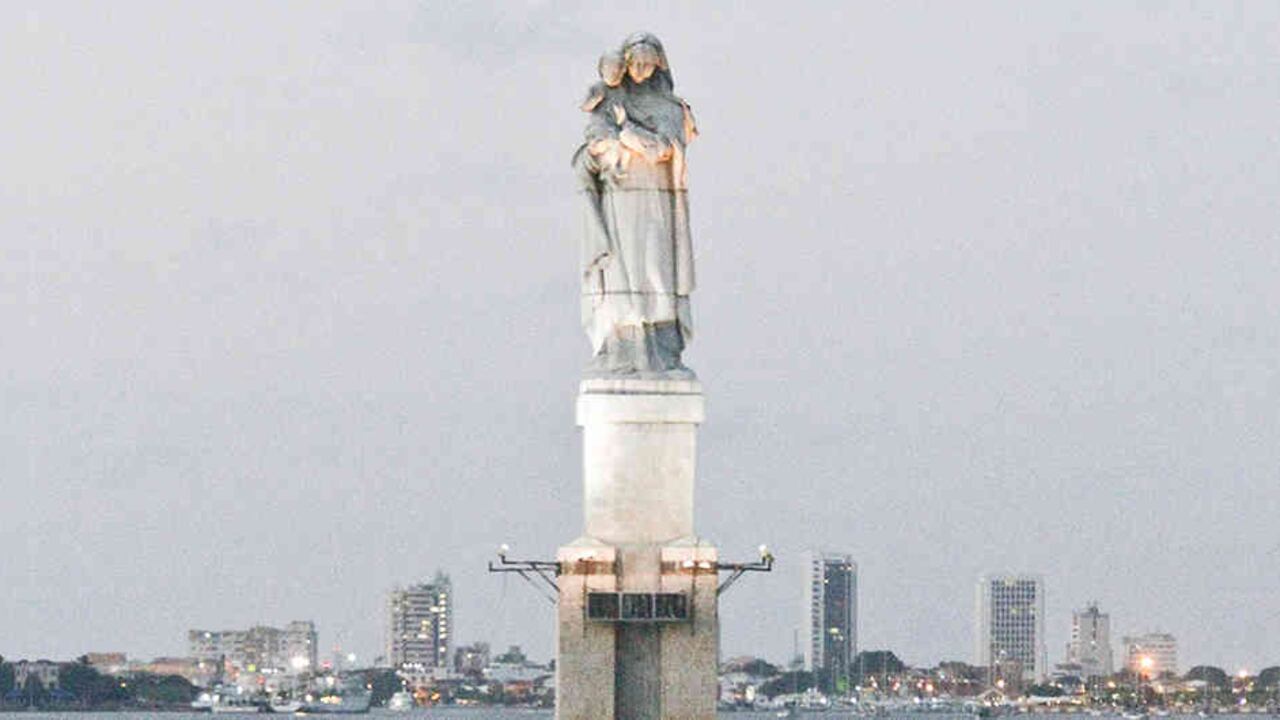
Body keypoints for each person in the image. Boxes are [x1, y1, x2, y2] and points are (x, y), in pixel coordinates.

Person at [575, 34, 698, 377]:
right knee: (619, 273)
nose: (641, 70)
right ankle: (620, 347)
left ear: (658, 64)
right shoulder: (609, 103)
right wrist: (602, 148)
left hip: (655, 201)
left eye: (648, 63)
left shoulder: (670, 108)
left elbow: (664, 149)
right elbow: (594, 141)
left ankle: (662, 349)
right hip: (619, 201)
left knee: (655, 273)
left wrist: (626, 132)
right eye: (635, 64)